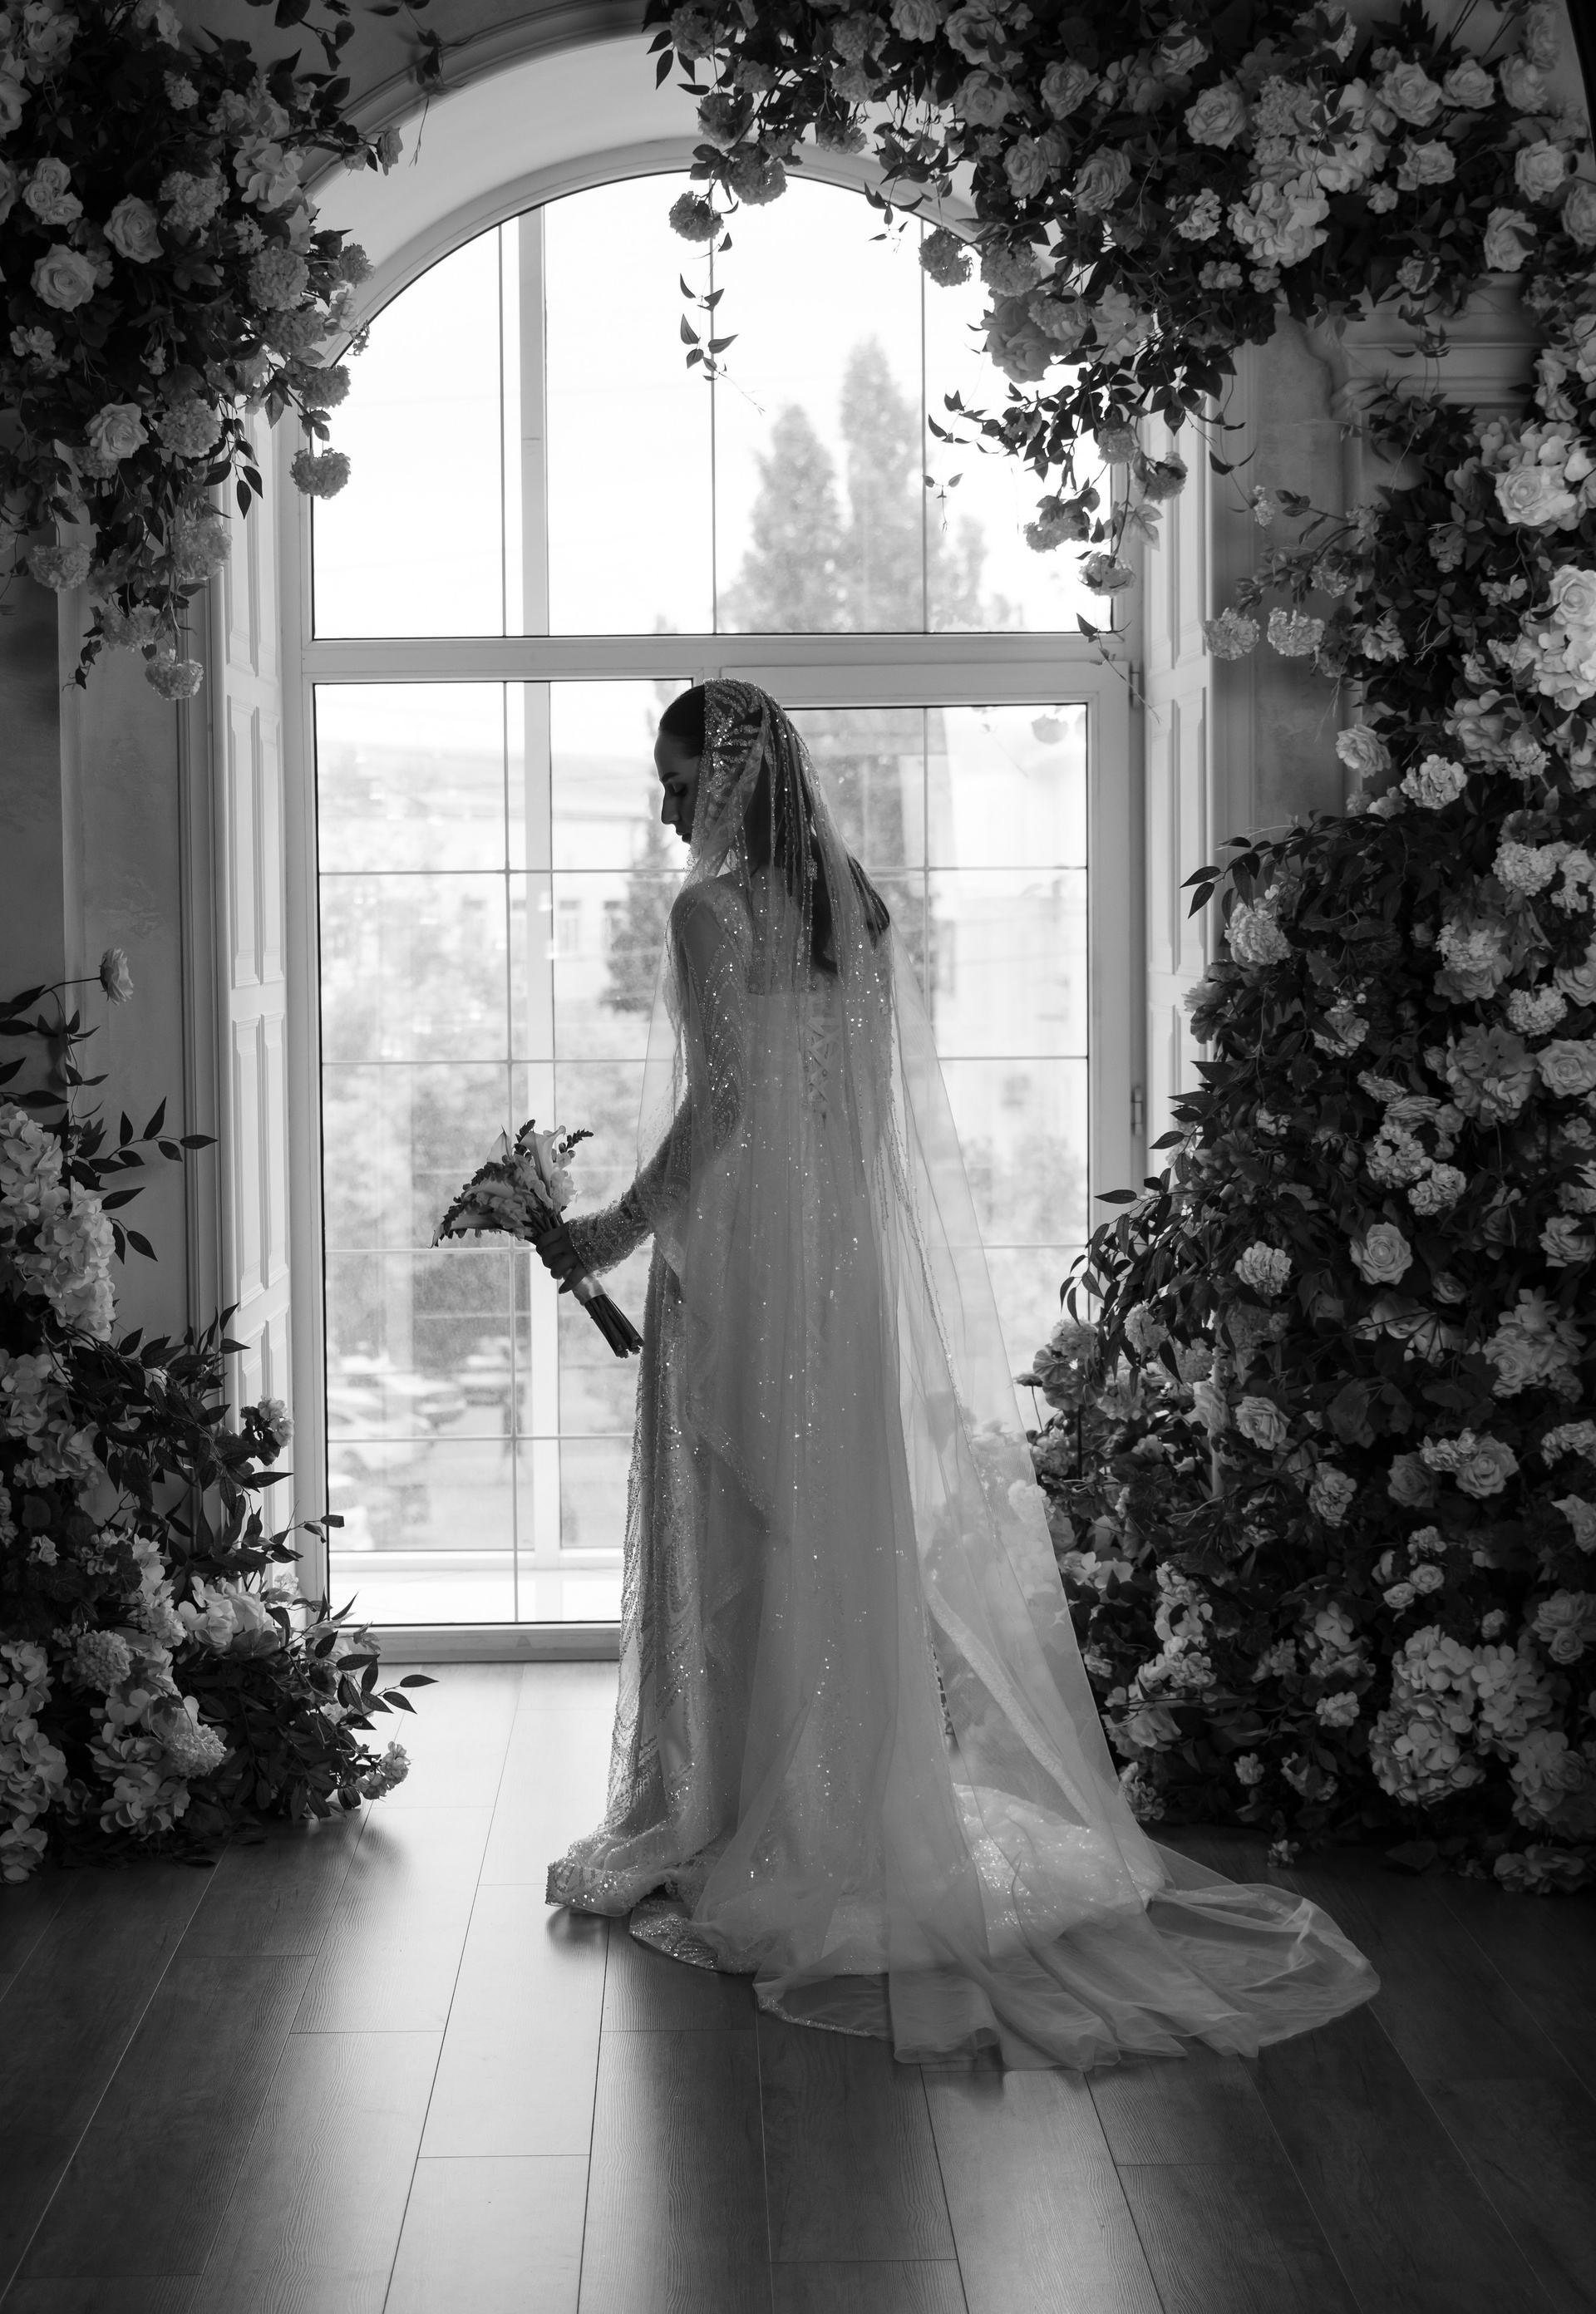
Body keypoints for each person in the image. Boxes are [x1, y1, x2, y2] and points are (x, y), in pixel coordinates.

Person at [539, 677, 1377, 2069]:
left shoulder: (708, 913)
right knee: (824, 1527)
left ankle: (736, 1818)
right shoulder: (856, 908)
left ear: (728, 779)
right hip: (837, 1261)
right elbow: (861, 1115)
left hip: (744, 1257)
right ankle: (836, 1807)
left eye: (679, 779)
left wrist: (614, 1231)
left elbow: (726, 1104)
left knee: (738, 1524)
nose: (669, 809)